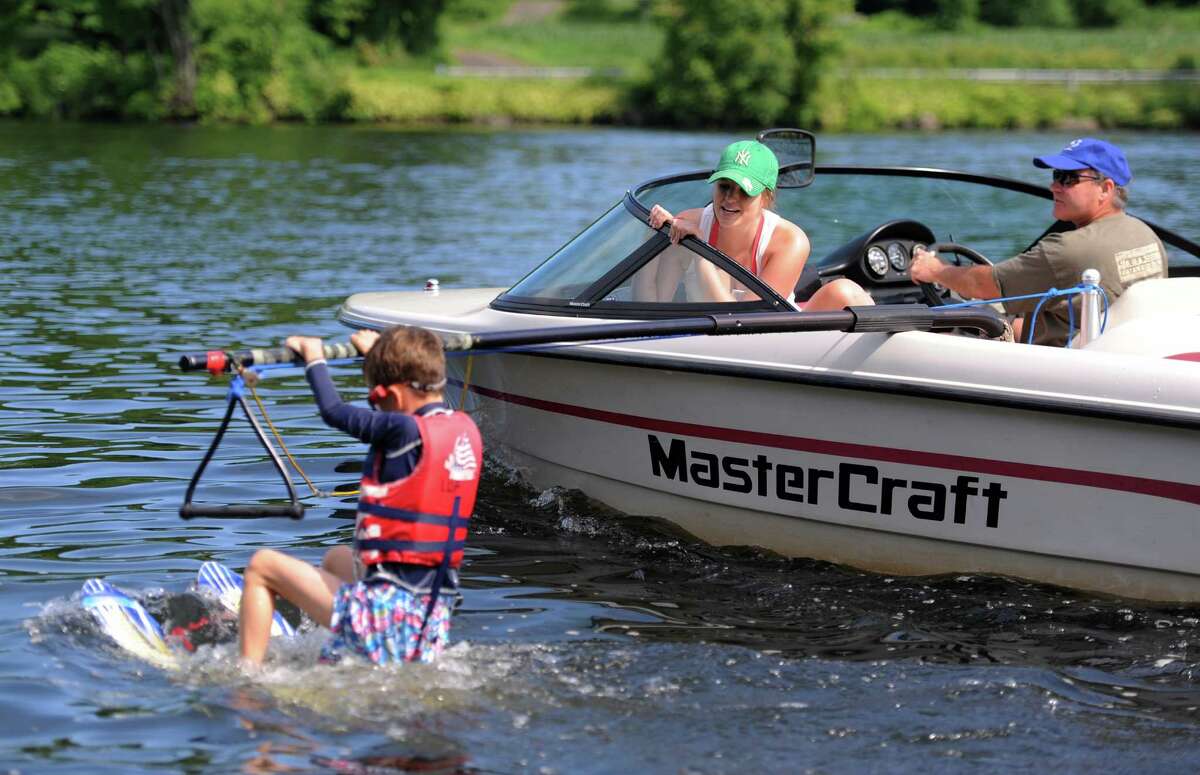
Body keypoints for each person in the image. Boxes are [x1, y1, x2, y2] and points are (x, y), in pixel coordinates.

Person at [237, 325, 482, 667]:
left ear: (394, 397)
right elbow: (402, 399)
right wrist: (377, 355)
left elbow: (333, 411)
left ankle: (245, 679)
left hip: (386, 623)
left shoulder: (402, 430)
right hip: (428, 624)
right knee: (337, 558)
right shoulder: (463, 428)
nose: (375, 409)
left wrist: (314, 357)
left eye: (375, 400)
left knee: (262, 566)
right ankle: (345, 650)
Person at [909, 137, 1167, 347]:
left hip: (1063, 364)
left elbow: (983, 285)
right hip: (1114, 348)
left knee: (933, 339)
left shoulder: (1067, 250)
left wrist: (935, 271)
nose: (1054, 186)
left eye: (1068, 178)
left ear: (1106, 189)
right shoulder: (1146, 236)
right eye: (1056, 175)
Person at [643, 140, 873, 311]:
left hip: (778, 340)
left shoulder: (789, 241)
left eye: (745, 191)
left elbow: (743, 323)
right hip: (704, 343)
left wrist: (701, 251)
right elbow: (646, 306)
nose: (731, 198)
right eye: (725, 186)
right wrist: (651, 233)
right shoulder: (687, 222)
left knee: (845, 293)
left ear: (766, 197)